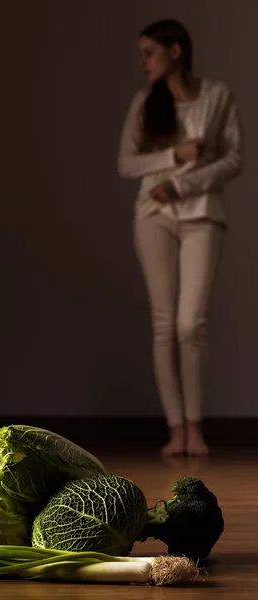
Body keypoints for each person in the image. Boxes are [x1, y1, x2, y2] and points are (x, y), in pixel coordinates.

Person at [117, 19, 243, 456]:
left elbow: (234, 160)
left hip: (201, 214)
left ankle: (195, 426)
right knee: (164, 323)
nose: (142, 63)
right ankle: (176, 431)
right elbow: (126, 165)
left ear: (175, 51)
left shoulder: (217, 96)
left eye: (148, 53)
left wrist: (183, 183)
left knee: (192, 324)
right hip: (153, 217)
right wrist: (175, 156)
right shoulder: (144, 103)